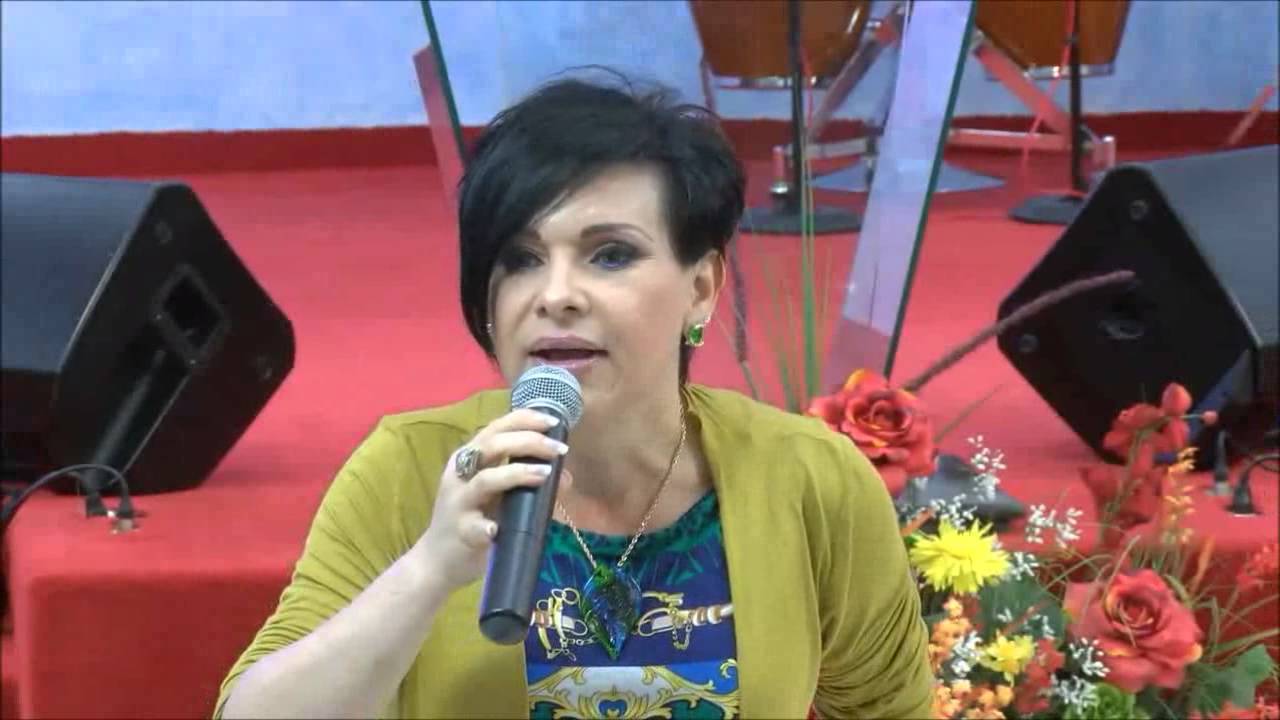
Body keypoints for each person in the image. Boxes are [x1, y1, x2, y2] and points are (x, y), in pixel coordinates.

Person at [215, 72, 933, 720]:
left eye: (610, 254)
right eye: (521, 260)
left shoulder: (809, 477)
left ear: (701, 288)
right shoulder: (411, 467)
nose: (555, 295)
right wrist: (430, 569)